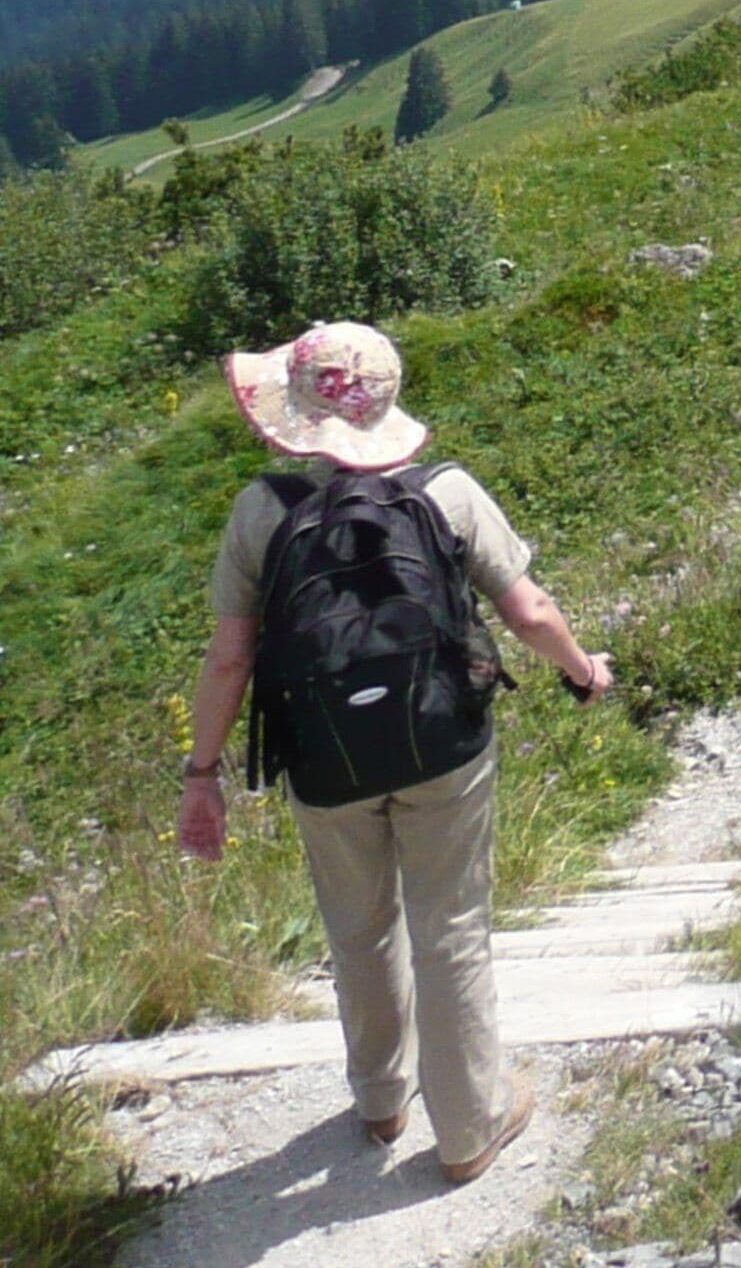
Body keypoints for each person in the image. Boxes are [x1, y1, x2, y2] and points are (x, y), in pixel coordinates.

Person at [176, 322, 614, 1187]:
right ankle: (470, 1128)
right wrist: (584, 671)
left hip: (323, 759)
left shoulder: (264, 511)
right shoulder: (445, 493)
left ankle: (381, 1099)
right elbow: (528, 610)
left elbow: (229, 657)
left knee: (358, 928)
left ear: (292, 417)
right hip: (442, 744)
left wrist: (203, 776)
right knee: (449, 928)